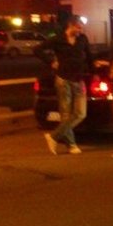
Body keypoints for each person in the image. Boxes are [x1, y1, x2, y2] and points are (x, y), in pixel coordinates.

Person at [34, 15, 98, 155]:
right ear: (71, 26)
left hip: (79, 80)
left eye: (81, 28)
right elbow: (37, 50)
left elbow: (89, 56)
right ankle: (71, 145)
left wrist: (94, 72)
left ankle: (53, 136)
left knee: (80, 113)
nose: (80, 31)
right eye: (78, 28)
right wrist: (51, 61)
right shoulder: (58, 39)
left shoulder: (82, 39)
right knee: (66, 114)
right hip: (63, 80)